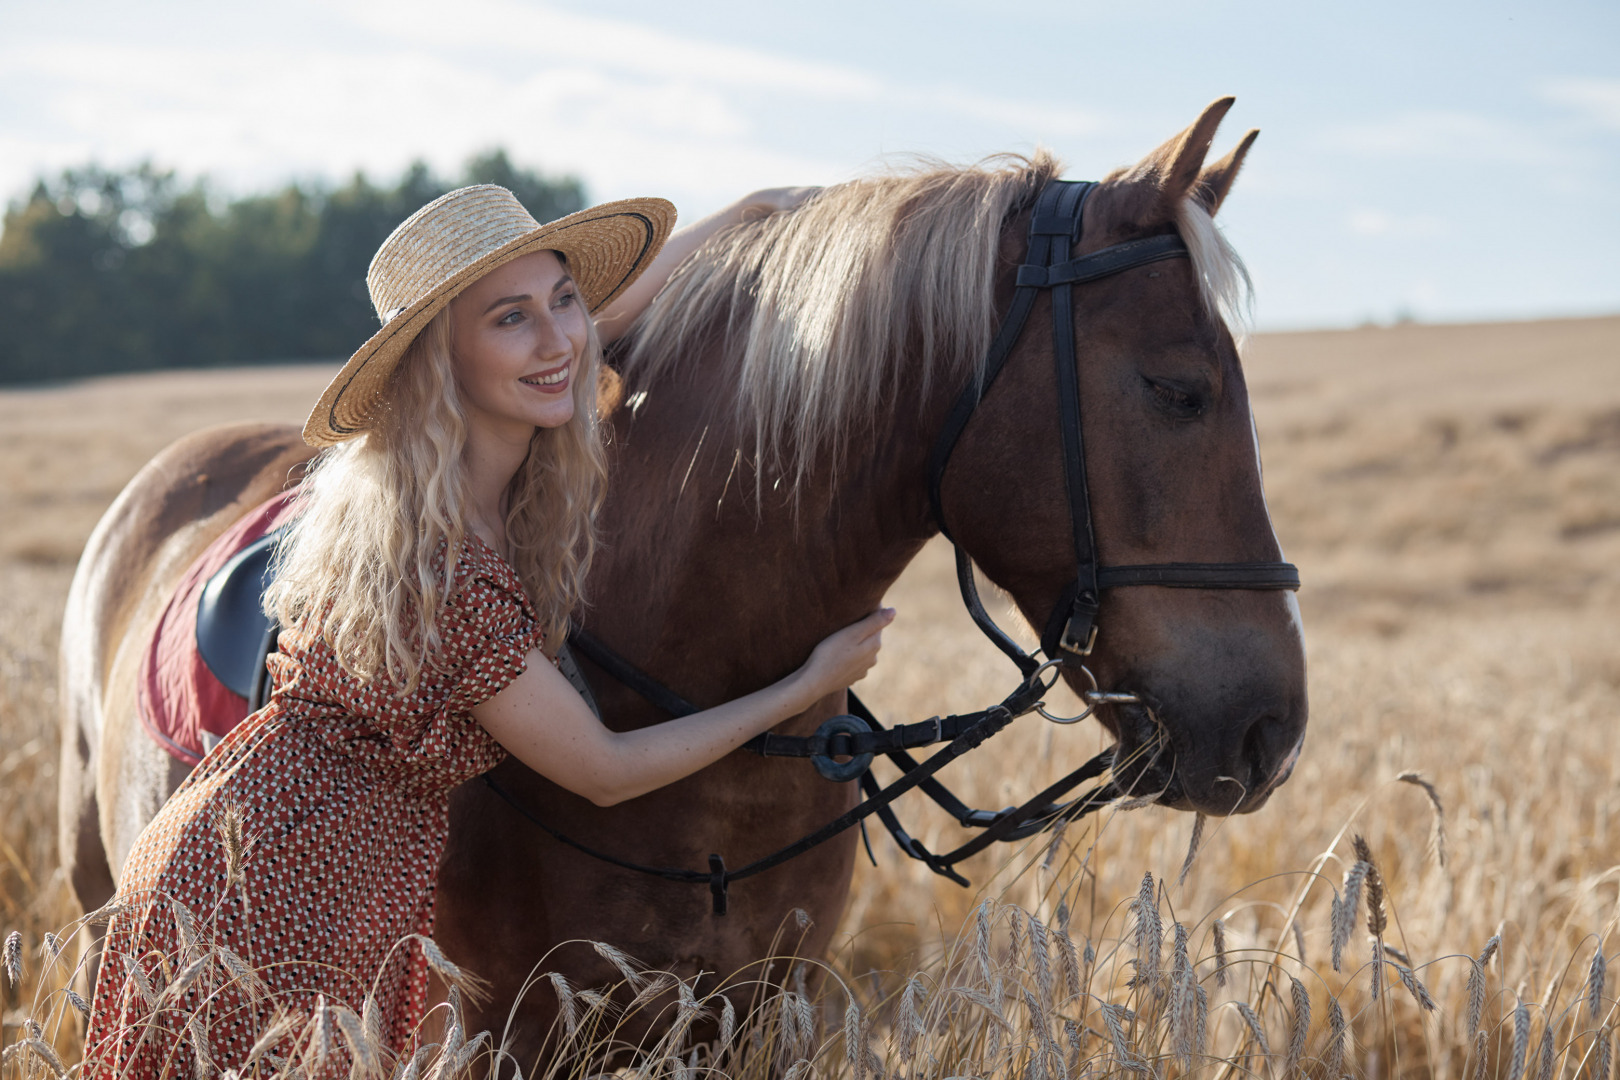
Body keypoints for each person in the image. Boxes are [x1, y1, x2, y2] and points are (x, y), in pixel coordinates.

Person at [82, 184, 891, 1078]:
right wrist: (804, 687)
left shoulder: (471, 473)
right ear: (441, 363)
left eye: (565, 299)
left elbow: (579, 332)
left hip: (320, 867)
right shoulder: (442, 564)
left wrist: (738, 219)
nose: (559, 339)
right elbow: (606, 770)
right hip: (275, 888)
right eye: (511, 318)